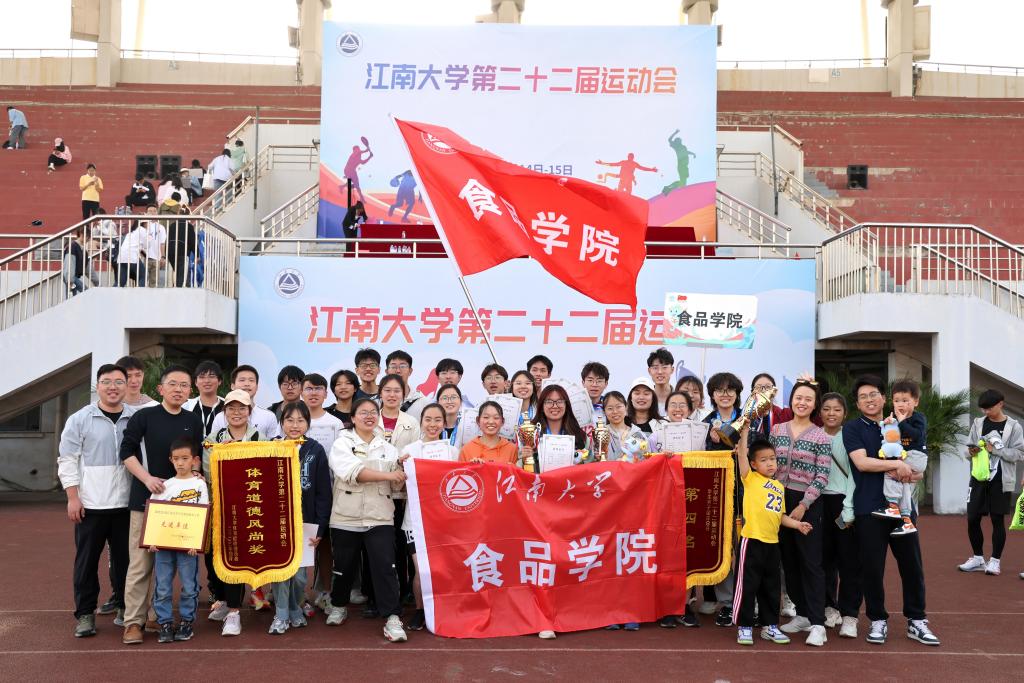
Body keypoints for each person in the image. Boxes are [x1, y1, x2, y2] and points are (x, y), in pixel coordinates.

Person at [842, 375, 938, 646]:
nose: (869, 400)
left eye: (874, 394)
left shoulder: (903, 423)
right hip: (869, 509)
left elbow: (918, 469)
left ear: (884, 398)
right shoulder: (853, 428)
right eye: (863, 397)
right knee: (872, 568)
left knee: (912, 566)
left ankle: (917, 619)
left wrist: (908, 470)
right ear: (857, 403)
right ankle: (877, 619)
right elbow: (862, 463)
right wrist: (897, 466)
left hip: (904, 510)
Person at [118, 365, 204, 645]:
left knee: (170, 567)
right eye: (173, 384)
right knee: (141, 565)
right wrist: (147, 479)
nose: (178, 389)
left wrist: (196, 474)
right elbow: (126, 452)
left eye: (184, 385)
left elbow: (196, 457)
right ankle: (134, 622)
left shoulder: (193, 420)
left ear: (190, 391)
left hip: (183, 508)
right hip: (146, 503)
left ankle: (157, 616)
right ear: (161, 388)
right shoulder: (144, 416)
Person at [59, 363, 136, 638]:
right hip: (91, 505)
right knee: (87, 562)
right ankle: (85, 614)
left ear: (127, 386)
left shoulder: (135, 418)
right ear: (98, 386)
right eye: (107, 382)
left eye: (118, 382)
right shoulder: (80, 419)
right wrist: (73, 497)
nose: (113, 387)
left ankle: (125, 608)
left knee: (126, 562)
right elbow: (67, 460)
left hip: (126, 504)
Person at [326, 398, 409, 642]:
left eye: (373, 412)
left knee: (386, 567)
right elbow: (354, 473)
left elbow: (396, 487)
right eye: (363, 412)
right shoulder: (342, 443)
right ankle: (338, 605)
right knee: (343, 568)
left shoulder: (389, 449)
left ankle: (392, 617)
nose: (369, 416)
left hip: (380, 516)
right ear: (352, 418)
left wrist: (402, 471)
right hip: (346, 515)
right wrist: (389, 474)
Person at [733, 428, 813, 647]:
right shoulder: (750, 479)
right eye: (764, 460)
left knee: (771, 587)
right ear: (753, 464)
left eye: (772, 459)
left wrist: (797, 524)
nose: (770, 463)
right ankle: (745, 625)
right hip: (752, 541)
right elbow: (741, 455)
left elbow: (780, 516)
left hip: (772, 544)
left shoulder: (778, 487)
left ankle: (769, 625)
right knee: (748, 585)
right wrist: (744, 432)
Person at [770, 380, 832, 647]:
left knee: (810, 563)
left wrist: (804, 504)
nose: (802, 402)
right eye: (798, 397)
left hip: (807, 502)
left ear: (815, 404)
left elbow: (822, 475)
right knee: (789, 561)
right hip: (778, 499)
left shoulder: (821, 436)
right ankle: (803, 614)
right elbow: (768, 465)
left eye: (808, 399)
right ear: (791, 400)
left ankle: (818, 623)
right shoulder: (777, 430)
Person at [269, 401, 332, 635]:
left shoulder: (315, 450)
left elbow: (323, 493)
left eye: (300, 420)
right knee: (280, 571)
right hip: (276, 523)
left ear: (308, 423)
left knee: (299, 576)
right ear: (281, 422)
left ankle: (295, 607)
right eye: (289, 420)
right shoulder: (270, 447)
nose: (295, 425)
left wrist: (320, 528)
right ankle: (281, 614)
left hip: (306, 523)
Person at [204, 389, 261, 635]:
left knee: (237, 558)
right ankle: (223, 599)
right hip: (219, 507)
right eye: (231, 408)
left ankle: (235, 612)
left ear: (250, 411)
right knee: (213, 557)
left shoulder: (260, 437)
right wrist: (223, 454)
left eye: (242, 408)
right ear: (224, 411)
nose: (236, 413)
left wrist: (236, 455)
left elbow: (263, 470)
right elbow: (208, 470)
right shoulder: (214, 437)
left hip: (247, 508)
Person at [397, 403, 458, 630]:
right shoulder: (409, 450)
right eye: (428, 419)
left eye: (437, 420)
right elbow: (399, 485)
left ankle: (443, 608)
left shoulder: (453, 452)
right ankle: (420, 610)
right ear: (421, 422)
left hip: (444, 521)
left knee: (444, 567)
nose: (433, 425)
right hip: (415, 520)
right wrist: (400, 467)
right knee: (421, 569)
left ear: (445, 423)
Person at [148, 438, 208, 644]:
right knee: (163, 586)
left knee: (189, 585)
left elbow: (203, 514)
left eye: (185, 458)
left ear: (194, 460)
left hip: (188, 547)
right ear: (171, 460)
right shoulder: (165, 485)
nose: (180, 463)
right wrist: (152, 539)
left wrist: (196, 542)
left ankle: (186, 622)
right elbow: (154, 514)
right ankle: (165, 622)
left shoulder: (199, 484)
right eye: (176, 459)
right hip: (163, 546)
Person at [959, 389, 1023, 577]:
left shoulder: (1014, 426)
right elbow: (968, 448)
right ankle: (978, 558)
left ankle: (995, 562)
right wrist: (970, 451)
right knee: (972, 518)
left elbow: (1019, 453)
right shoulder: (978, 423)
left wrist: (995, 450)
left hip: (1001, 480)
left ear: (1001, 404)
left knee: (997, 519)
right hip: (978, 477)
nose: (986, 412)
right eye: (983, 409)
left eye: (989, 408)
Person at [701, 372, 744, 626]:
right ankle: (727, 602)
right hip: (717, 493)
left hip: (745, 493)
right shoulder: (705, 424)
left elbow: (761, 452)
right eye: (719, 390)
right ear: (712, 395)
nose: (725, 394)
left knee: (747, 549)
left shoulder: (748, 420)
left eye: (730, 390)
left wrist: (743, 446)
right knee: (723, 548)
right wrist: (712, 442)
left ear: (737, 394)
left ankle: (749, 599)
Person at [818, 392, 861, 639]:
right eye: (826, 409)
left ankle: (849, 615)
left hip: (845, 502)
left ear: (845, 413)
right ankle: (828, 607)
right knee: (824, 560)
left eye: (836, 409)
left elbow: (855, 474)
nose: (831, 413)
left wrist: (849, 507)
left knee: (849, 561)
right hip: (818, 503)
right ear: (820, 412)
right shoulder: (814, 435)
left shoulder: (851, 436)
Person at [378, 373, 421, 605]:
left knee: (404, 546)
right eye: (387, 390)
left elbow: (416, 455)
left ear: (404, 395)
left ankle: (406, 593)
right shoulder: (371, 418)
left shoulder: (411, 423)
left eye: (397, 391)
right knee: (381, 548)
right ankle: (380, 596)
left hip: (403, 493)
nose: (392, 395)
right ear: (380, 393)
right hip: (376, 491)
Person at [873, 380, 929, 536]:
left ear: (915, 402)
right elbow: (889, 438)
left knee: (890, 470)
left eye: (905, 400)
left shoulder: (918, 418)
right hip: (907, 457)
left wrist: (902, 422)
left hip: (916, 456)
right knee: (904, 484)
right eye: (897, 400)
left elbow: (917, 435)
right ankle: (906, 518)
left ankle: (892, 504)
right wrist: (887, 424)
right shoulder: (895, 419)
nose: (900, 404)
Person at [522, 384, 592, 481]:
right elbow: (517, 469)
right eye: (549, 402)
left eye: (560, 401)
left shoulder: (580, 436)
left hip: (570, 487)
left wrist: (584, 460)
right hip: (539, 487)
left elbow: (591, 468)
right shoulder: (529, 434)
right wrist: (524, 459)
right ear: (541, 406)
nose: (555, 406)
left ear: (566, 405)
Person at [209, 365, 281, 438]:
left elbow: (274, 443)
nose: (247, 384)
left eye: (251, 380)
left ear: (257, 387)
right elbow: (213, 443)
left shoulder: (268, 417)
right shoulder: (220, 418)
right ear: (232, 386)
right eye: (242, 380)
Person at [602, 391, 653, 461]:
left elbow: (647, 458)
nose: (615, 411)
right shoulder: (600, 434)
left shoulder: (637, 434)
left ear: (626, 407)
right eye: (610, 408)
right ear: (604, 412)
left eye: (618, 407)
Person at [302, 373, 344, 453]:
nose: (313, 393)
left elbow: (341, 453)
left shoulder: (336, 423)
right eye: (309, 389)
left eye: (318, 388)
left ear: (325, 394)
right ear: (301, 394)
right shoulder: (291, 422)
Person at [183, 360, 224, 438]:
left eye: (211, 376)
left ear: (219, 381)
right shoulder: (186, 407)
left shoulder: (227, 406)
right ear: (196, 382)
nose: (207, 381)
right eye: (202, 377)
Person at [164, 199, 195, 287]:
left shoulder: (172, 225)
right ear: (188, 216)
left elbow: (167, 239)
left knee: (176, 270)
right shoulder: (189, 226)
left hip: (171, 251)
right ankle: (178, 288)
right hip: (182, 251)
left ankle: (173, 286)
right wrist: (196, 255)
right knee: (181, 272)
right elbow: (192, 241)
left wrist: (166, 253)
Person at [115, 219, 146, 288]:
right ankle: (139, 292)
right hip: (132, 257)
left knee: (120, 282)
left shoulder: (131, 231)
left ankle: (111, 293)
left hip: (121, 257)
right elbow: (147, 245)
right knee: (143, 276)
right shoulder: (142, 230)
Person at [142, 205, 166, 288]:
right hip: (144, 258)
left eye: (154, 211)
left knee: (154, 283)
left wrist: (163, 257)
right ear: (146, 213)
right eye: (150, 211)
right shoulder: (142, 226)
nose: (152, 213)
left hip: (156, 258)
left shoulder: (161, 227)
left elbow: (162, 243)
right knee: (142, 281)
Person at [647, 348, 675, 414]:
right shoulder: (645, 399)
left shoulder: (681, 398)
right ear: (649, 371)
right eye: (655, 368)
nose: (660, 372)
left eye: (664, 367)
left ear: (672, 370)